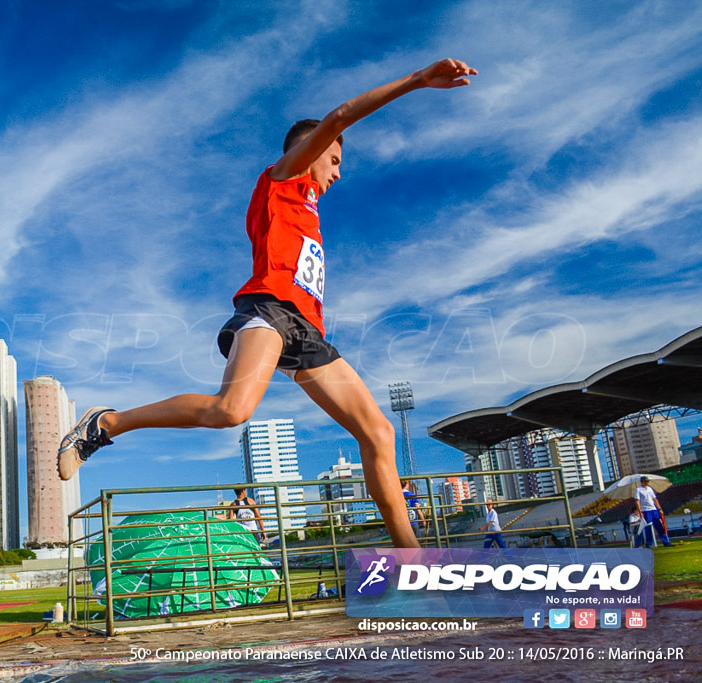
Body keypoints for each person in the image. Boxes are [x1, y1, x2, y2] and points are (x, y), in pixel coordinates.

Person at [58, 58, 478, 549]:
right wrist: (417, 81)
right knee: (231, 410)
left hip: (308, 332)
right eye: (335, 161)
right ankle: (105, 424)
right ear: (309, 150)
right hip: (267, 311)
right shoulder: (282, 180)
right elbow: (339, 117)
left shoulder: (310, 213)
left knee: (380, 434)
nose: (338, 174)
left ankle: (412, 562)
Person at [633, 476, 671, 548]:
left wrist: (659, 509)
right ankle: (649, 543)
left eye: (648, 481)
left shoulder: (650, 489)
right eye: (646, 481)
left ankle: (666, 542)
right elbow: (637, 501)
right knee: (648, 527)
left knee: (659, 526)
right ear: (642, 482)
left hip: (653, 509)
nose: (647, 482)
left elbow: (654, 499)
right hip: (646, 510)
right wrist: (640, 511)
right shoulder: (638, 490)